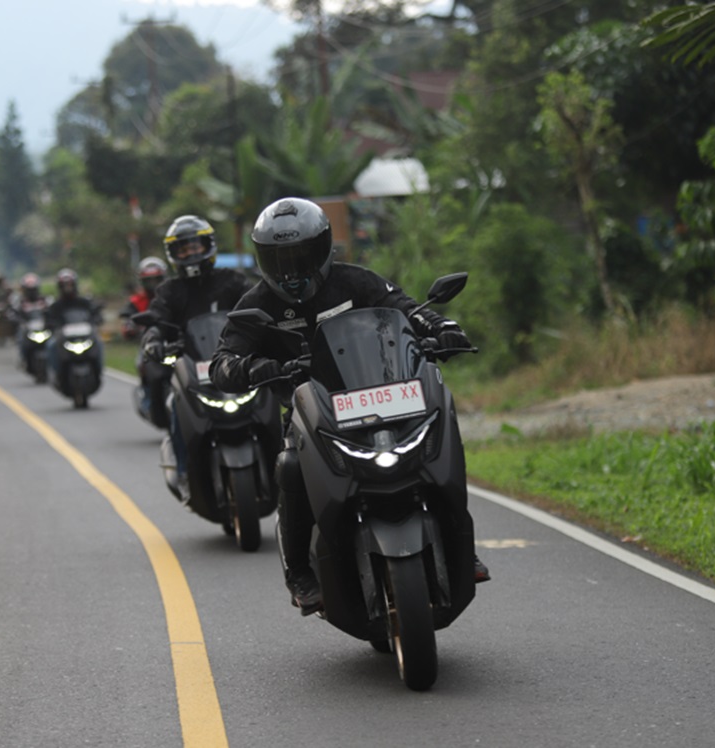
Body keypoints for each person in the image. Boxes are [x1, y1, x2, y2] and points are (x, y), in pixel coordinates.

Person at [210, 197, 490, 616]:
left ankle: (460, 546)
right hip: (313, 411)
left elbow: (407, 309)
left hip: (383, 394)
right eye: (279, 259)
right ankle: (300, 573)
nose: (291, 270)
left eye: (301, 254)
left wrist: (443, 328)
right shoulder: (255, 305)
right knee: (289, 466)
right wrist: (251, 368)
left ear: (323, 248)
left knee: (442, 427)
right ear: (262, 258)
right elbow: (221, 362)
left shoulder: (356, 281)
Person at [139, 215, 253, 490]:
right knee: (173, 406)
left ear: (208, 246)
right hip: (191, 367)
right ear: (174, 254)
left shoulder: (233, 281)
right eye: (184, 248)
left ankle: (285, 457)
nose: (191, 253)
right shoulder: (170, 291)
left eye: (195, 246)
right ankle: (184, 471)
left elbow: (254, 304)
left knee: (273, 393)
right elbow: (157, 318)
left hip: (233, 363)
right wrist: (153, 338)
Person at [45, 268, 102, 384]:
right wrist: (51, 324)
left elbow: (94, 313)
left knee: (98, 343)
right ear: (60, 287)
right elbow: (49, 318)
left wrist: (97, 318)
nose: (68, 288)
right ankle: (56, 372)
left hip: (84, 335)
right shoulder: (56, 305)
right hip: (64, 337)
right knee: (50, 345)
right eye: (65, 285)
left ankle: (99, 370)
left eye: (70, 285)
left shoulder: (84, 302)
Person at [120, 257, 168, 341]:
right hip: (148, 342)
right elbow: (128, 318)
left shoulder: (172, 296)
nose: (153, 285)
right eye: (149, 281)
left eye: (156, 280)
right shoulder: (137, 300)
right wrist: (130, 326)